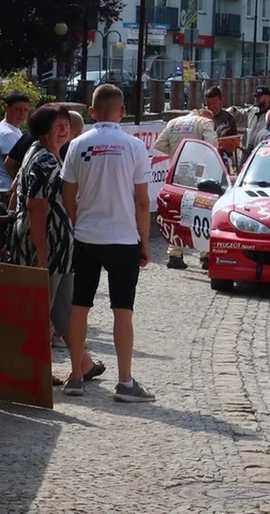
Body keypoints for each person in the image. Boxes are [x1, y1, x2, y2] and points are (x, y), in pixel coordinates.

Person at [60, 84, 154, 402]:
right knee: (122, 311)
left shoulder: (77, 145)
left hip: (87, 235)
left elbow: (68, 195)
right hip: (123, 238)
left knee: (79, 308)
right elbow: (142, 201)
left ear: (92, 112)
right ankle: (125, 382)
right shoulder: (134, 146)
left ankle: (75, 375)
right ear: (122, 112)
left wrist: (78, 222)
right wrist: (144, 241)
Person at [8, 104, 105, 386]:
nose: (62, 128)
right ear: (42, 129)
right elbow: (35, 207)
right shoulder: (44, 160)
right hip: (45, 246)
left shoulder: (50, 155)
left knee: (63, 309)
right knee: (40, 312)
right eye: (55, 124)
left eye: (65, 123)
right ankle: (33, 370)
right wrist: (41, 255)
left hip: (60, 248)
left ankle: (83, 364)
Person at [153, 109, 218, 269]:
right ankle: (205, 255)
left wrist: (177, 154)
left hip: (177, 173)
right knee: (202, 212)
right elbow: (213, 145)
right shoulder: (205, 122)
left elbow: (159, 144)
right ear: (206, 116)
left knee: (176, 212)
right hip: (198, 173)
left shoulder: (173, 122)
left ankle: (174, 254)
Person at [0, 91, 30, 194]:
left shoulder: (12, 129)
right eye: (18, 109)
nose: (22, 114)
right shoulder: (8, 134)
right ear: (6, 108)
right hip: (8, 189)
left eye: (26, 110)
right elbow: (11, 165)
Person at [238, 86, 270, 153]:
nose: (256, 99)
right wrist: (233, 110)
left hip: (263, 151)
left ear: (267, 97)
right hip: (247, 150)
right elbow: (240, 114)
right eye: (255, 97)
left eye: (259, 97)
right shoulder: (252, 110)